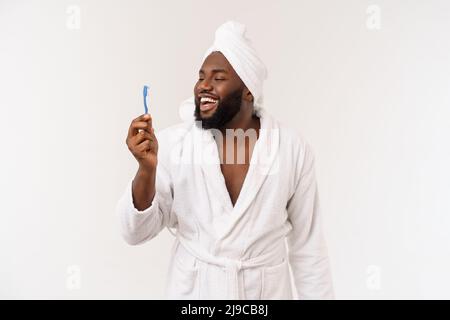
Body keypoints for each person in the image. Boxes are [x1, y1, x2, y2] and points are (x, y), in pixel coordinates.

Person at [116, 21, 334, 300]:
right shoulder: (174, 145)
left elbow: (309, 249)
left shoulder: (291, 149)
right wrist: (146, 169)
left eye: (218, 78)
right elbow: (133, 232)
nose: (203, 86)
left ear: (248, 90)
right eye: (200, 77)